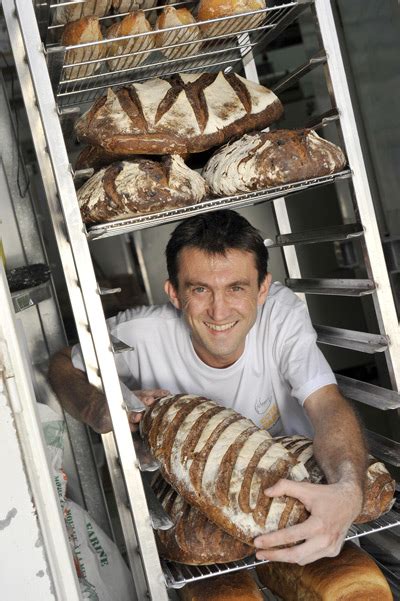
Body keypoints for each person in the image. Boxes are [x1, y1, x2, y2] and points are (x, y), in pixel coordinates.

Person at [49, 209, 368, 566]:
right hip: (201, 521)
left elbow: (325, 402)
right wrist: (98, 408)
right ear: (174, 293)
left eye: (236, 288)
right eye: (200, 289)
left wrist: (348, 489)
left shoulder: (280, 315)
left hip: (299, 504)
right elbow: (61, 363)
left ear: (263, 289)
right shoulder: (140, 335)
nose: (219, 311)